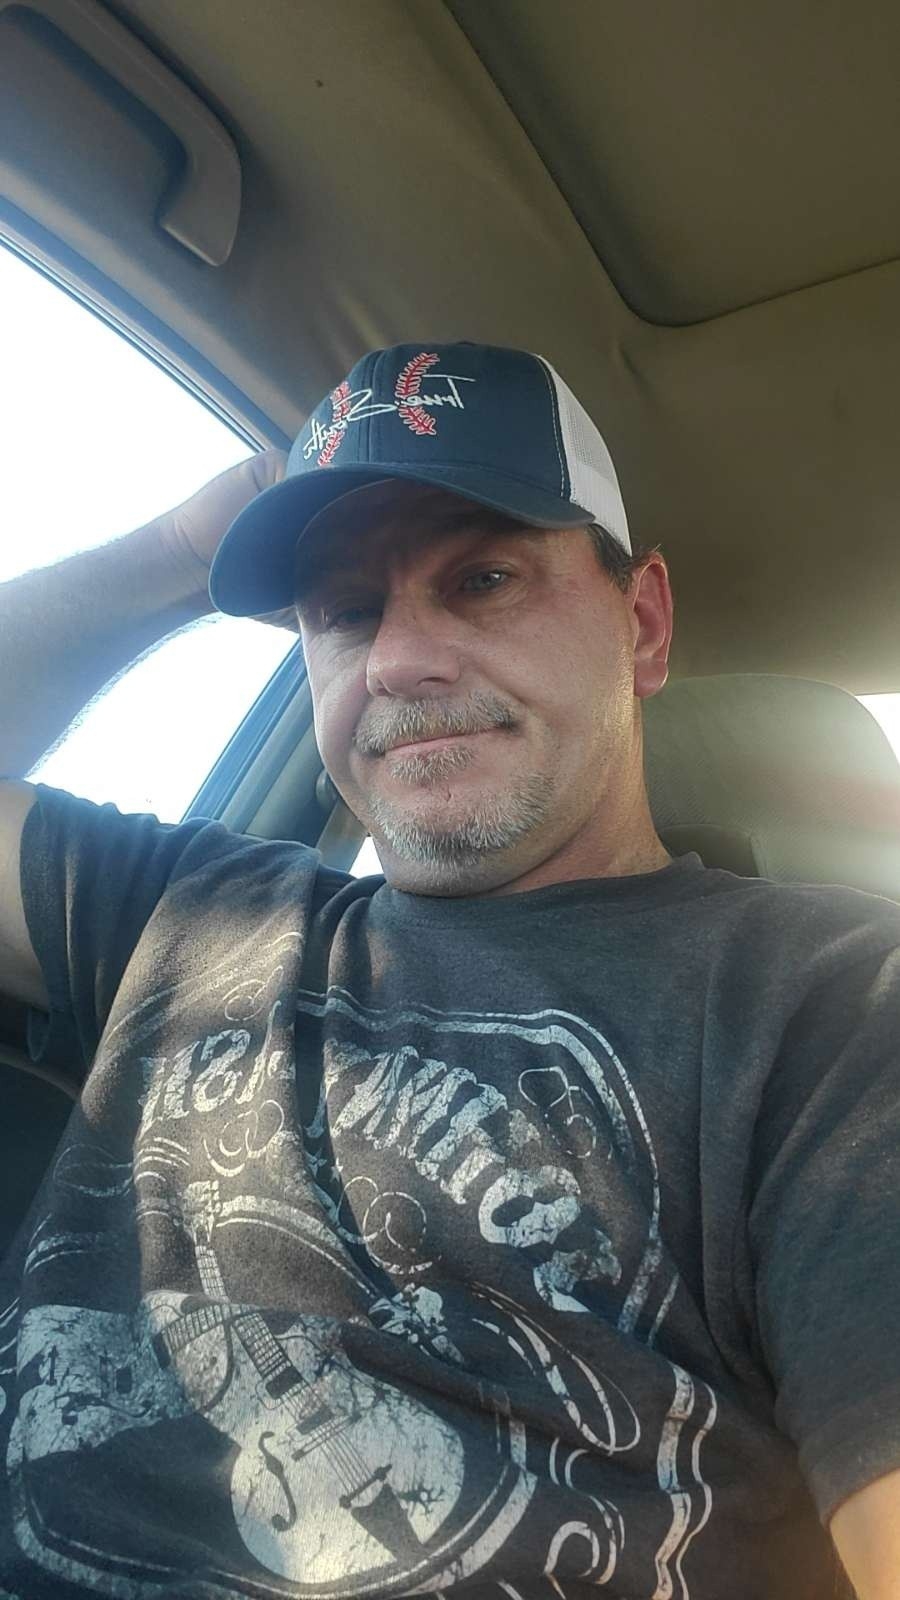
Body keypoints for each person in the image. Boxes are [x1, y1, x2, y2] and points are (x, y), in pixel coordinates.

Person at [0, 340, 895, 1600]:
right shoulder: (178, 904)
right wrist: (171, 554)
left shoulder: (837, 1003)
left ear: (641, 624)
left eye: (482, 578)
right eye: (343, 610)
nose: (397, 659)